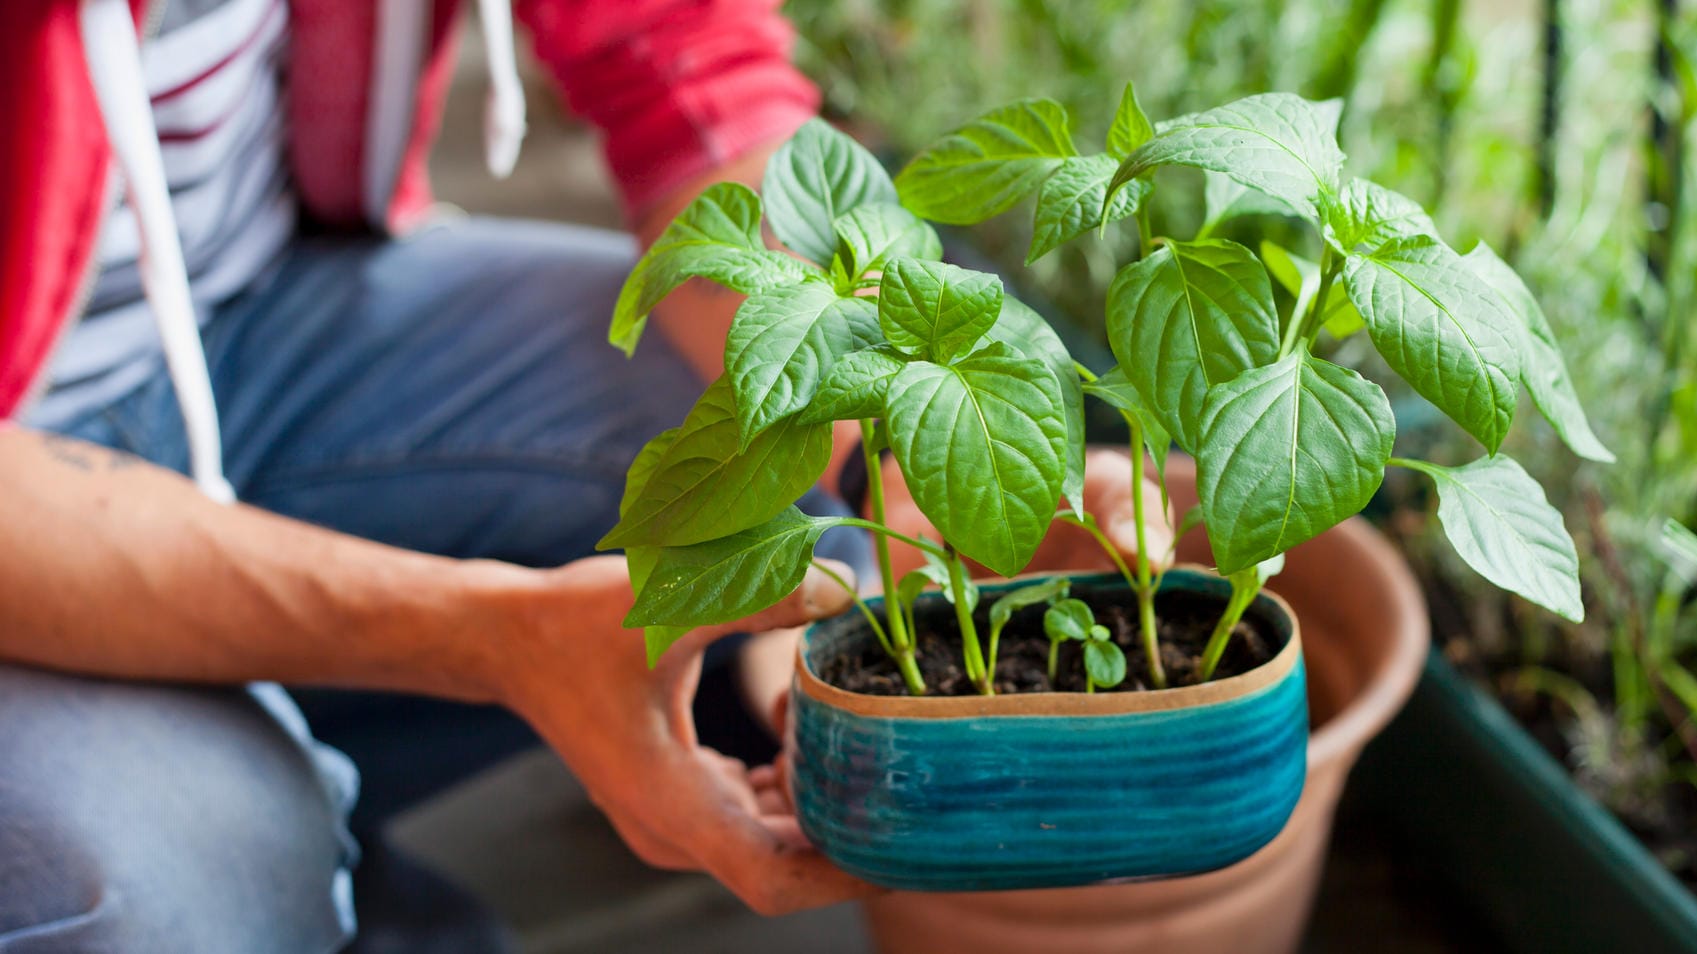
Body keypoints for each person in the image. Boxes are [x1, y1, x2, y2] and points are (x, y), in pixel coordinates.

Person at [0, 1, 1168, 950]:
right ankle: (291, 857)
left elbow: (678, 58)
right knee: (170, 888)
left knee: (759, 437)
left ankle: (311, 818)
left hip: (252, 317)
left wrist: (933, 431)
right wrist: (486, 633)